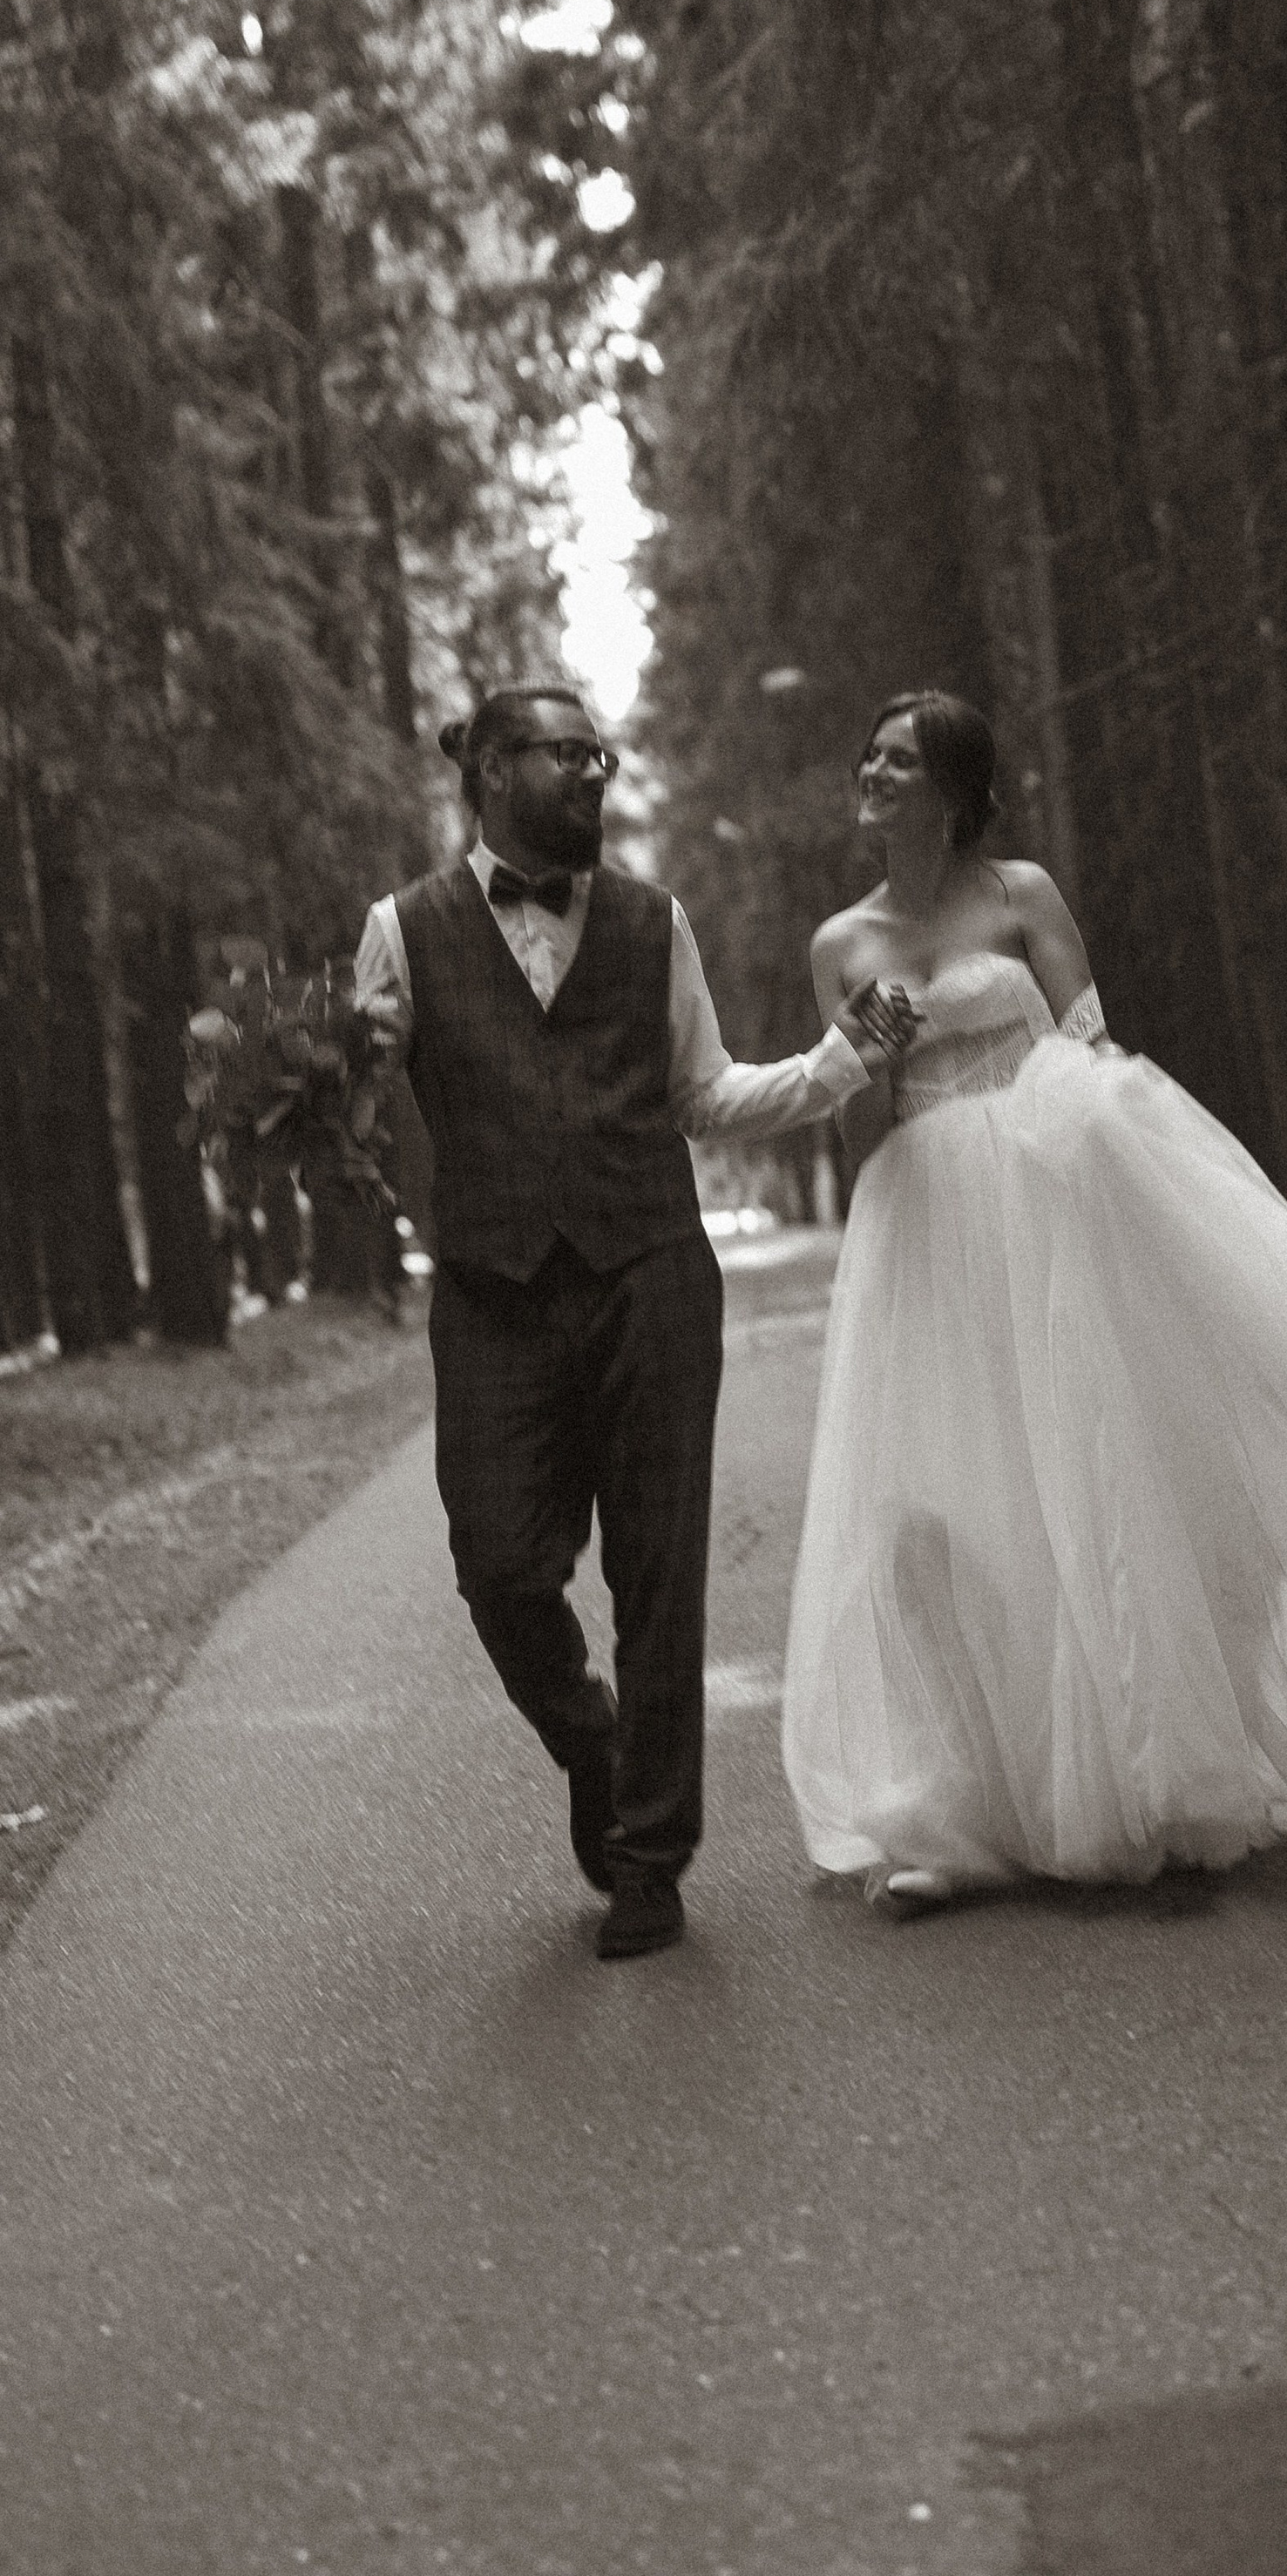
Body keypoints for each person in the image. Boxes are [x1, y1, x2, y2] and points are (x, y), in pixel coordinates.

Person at [781, 689, 1287, 1914]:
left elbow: (1086, 1040)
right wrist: (864, 1063)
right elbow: (862, 1105)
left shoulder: (1024, 894)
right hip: (923, 1219)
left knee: (1083, 1475)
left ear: (956, 788)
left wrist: (1078, 1143)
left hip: (1051, 1194)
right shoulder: (840, 943)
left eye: (901, 758)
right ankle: (965, 1810)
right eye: (868, 755)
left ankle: (1135, 1770)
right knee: (937, 1500)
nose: (871, 771)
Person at [356, 683, 917, 1962]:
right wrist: (350, 1073)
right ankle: (588, 1738)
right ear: (491, 772)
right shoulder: (400, 928)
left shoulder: (656, 921)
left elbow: (704, 1091)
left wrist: (838, 1066)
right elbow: (367, 1107)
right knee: (499, 1563)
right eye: (567, 756)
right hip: (493, 1293)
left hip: (652, 1274)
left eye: (601, 756)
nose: (595, 775)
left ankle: (652, 1859)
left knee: (659, 1571)